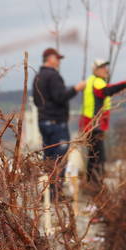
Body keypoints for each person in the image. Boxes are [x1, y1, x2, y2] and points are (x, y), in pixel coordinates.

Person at [32, 47, 86, 199]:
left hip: (43, 122)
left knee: (48, 158)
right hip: (57, 124)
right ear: (50, 58)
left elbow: (37, 101)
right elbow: (60, 96)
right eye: (57, 58)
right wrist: (76, 89)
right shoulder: (53, 76)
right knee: (60, 158)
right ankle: (56, 193)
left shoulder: (38, 77)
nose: (59, 62)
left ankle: (48, 193)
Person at [79, 59, 126, 186]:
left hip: (90, 125)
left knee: (93, 157)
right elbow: (107, 91)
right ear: (95, 70)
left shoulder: (91, 81)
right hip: (95, 126)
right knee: (99, 158)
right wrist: (125, 83)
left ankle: (91, 184)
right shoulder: (97, 82)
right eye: (103, 67)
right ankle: (96, 186)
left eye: (106, 67)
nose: (106, 70)